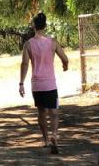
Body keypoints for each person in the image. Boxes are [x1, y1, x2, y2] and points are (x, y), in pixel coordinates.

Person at [19, 11, 69, 154]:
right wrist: (65, 66)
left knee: (41, 112)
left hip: (37, 85)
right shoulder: (53, 42)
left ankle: (46, 140)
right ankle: (54, 135)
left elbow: (24, 64)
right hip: (50, 84)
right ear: (45, 25)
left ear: (33, 26)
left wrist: (21, 83)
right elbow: (64, 58)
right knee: (54, 112)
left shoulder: (28, 44)